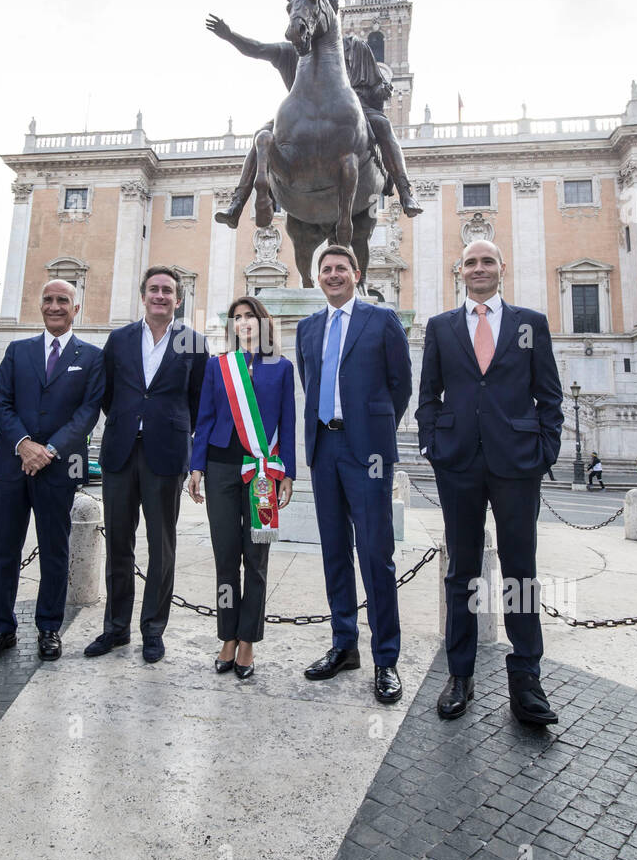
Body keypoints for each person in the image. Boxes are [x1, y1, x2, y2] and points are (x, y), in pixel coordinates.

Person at [416, 239, 564, 725]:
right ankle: (460, 673)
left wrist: (545, 452)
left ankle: (526, 679)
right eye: (471, 262)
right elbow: (428, 395)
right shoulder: (440, 327)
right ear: (459, 271)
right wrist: (433, 446)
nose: (479, 269)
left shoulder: (530, 324)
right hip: (457, 462)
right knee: (462, 569)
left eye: (488, 261)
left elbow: (550, 395)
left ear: (502, 268)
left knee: (521, 569)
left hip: (517, 462)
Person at [296, 245, 412, 702]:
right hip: (325, 446)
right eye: (325, 269)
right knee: (334, 551)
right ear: (318, 278)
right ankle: (344, 645)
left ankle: (386, 658)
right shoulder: (307, 328)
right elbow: (310, 383)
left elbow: (400, 383)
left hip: (368, 452)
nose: (333, 274)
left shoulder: (381, 320)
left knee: (375, 553)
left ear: (356, 273)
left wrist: (374, 425)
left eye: (340, 268)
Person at [0, 280, 105, 664]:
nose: (54, 306)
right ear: (40, 305)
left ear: (75, 308)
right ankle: (2, 627)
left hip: (58, 468)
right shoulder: (17, 351)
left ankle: (49, 627)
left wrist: (48, 450)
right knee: (5, 551)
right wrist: (24, 445)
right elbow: (2, 402)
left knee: (54, 550)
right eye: (47, 299)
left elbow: (87, 413)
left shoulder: (92, 357)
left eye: (62, 300)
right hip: (14, 465)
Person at [85, 266, 208, 664]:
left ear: (178, 298)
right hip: (121, 451)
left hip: (166, 453)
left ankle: (153, 629)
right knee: (119, 543)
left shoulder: (193, 342)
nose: (160, 296)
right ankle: (115, 628)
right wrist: (128, 418)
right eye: (154, 289)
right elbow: (107, 393)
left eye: (167, 290)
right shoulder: (119, 339)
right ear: (143, 296)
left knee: (162, 545)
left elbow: (198, 402)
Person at [206, 5, 422, 222]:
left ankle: (405, 191)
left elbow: (374, 86)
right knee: (261, 136)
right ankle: (238, 201)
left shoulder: (354, 48)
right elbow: (258, 48)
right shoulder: (293, 51)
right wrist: (229, 35)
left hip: (353, 113)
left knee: (383, 126)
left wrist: (380, 90)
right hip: (299, 119)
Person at [188, 297, 295, 679]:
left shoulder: (281, 368)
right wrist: (196, 466)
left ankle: (248, 639)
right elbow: (204, 417)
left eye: (250, 316)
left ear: (263, 323)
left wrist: (289, 473)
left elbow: (288, 422)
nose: (244, 322)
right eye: (237, 317)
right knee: (225, 556)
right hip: (219, 468)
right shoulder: (219, 366)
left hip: (262, 472)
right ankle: (227, 636)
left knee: (257, 558)